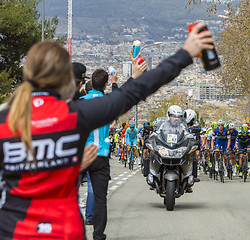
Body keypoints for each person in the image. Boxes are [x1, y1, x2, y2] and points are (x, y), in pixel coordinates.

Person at [0, 23, 214, 239]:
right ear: (66, 79)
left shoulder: (4, 120)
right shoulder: (75, 115)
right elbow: (133, 92)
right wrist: (186, 53)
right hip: (63, 231)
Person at [80, 68, 125, 236]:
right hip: (101, 156)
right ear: (105, 85)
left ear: (90, 82)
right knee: (100, 199)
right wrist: (115, 83)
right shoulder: (109, 102)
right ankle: (98, 235)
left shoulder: (81, 101)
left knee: (68, 196)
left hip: (82, 155)